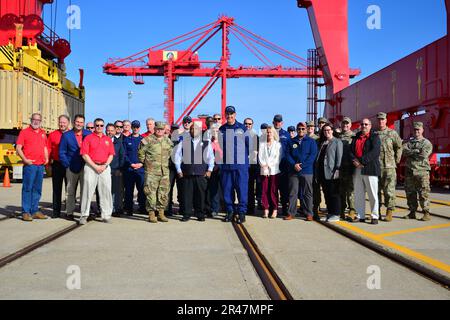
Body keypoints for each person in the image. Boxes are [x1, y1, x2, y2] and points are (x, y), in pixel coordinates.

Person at [174, 123, 215, 222]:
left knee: (200, 196)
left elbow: (211, 158)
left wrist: (210, 170)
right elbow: (177, 157)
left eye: (195, 129)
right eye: (192, 129)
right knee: (187, 195)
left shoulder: (206, 143)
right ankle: (187, 214)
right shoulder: (183, 142)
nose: (193, 130)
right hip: (187, 174)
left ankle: (200, 214)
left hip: (201, 174)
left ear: (200, 130)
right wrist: (179, 170)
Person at [79, 118, 115, 225]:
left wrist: (104, 165)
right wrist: (94, 166)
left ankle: (106, 215)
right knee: (87, 191)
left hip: (104, 167)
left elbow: (111, 154)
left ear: (103, 126)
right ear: (94, 126)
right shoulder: (88, 138)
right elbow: (85, 155)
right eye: (97, 125)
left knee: (106, 191)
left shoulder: (107, 139)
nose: (99, 127)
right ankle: (84, 215)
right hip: (91, 167)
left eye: (101, 125)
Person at [219, 106, 250, 224]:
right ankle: (230, 211)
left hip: (241, 166)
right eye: (227, 114)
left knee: (242, 190)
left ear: (235, 115)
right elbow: (219, 148)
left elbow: (250, 146)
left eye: (231, 114)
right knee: (227, 190)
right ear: (225, 115)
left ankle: (242, 212)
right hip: (227, 166)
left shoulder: (242, 129)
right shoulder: (222, 130)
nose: (229, 116)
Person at [138, 121, 174, 223]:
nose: (159, 131)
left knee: (163, 192)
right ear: (154, 129)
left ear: (164, 130)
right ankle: (151, 214)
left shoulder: (168, 141)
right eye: (158, 129)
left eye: (162, 129)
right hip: (151, 172)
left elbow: (170, 154)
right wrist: (145, 163)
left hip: (164, 172)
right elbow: (141, 153)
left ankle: (161, 213)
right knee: (150, 193)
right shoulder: (147, 140)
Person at [16, 113, 49, 222]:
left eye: (38, 120)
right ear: (31, 120)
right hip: (30, 165)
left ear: (41, 121)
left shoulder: (43, 133)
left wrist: (46, 158)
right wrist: (25, 160)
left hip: (40, 165)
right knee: (27, 188)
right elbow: (18, 148)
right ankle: (26, 212)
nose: (36, 122)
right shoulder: (24, 132)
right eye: (34, 119)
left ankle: (34, 211)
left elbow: (44, 147)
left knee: (37, 189)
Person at [349, 119, 381, 225]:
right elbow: (350, 151)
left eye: (366, 124)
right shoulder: (356, 137)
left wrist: (362, 161)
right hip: (357, 168)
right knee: (358, 193)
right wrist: (355, 161)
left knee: (372, 194)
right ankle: (360, 215)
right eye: (362, 124)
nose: (364, 126)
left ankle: (374, 216)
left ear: (370, 126)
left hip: (370, 168)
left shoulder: (375, 137)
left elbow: (375, 152)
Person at [59, 115, 92, 220]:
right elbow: (62, 152)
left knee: (85, 191)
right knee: (70, 191)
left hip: (86, 167)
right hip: (71, 167)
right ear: (73, 122)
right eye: (77, 122)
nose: (79, 124)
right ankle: (69, 212)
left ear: (84, 123)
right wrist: (67, 165)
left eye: (81, 122)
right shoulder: (66, 135)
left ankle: (84, 212)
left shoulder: (88, 134)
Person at [285, 122, 318, 221]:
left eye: (303, 129)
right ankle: (291, 213)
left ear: (306, 129)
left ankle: (309, 213)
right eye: (299, 129)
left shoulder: (311, 141)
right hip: (293, 171)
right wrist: (293, 165)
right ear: (296, 130)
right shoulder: (291, 141)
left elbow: (313, 155)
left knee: (307, 193)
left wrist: (302, 165)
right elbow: (287, 154)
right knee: (293, 192)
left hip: (307, 171)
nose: (301, 130)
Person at [403, 122, 433, 221]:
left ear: (422, 130)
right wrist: (416, 151)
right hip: (410, 172)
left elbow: (423, 155)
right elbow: (404, 151)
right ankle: (412, 212)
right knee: (410, 193)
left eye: (418, 129)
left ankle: (426, 212)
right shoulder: (409, 143)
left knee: (423, 192)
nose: (417, 131)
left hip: (422, 171)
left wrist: (411, 152)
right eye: (415, 130)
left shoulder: (426, 143)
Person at [376, 112, 403, 222]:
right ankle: (376, 211)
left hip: (389, 167)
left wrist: (396, 161)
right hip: (376, 167)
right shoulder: (374, 134)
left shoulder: (392, 133)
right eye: (379, 119)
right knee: (375, 191)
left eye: (382, 119)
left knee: (389, 190)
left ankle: (389, 211)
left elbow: (399, 147)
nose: (381, 121)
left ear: (386, 120)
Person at [315, 124, 343, 222]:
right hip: (323, 172)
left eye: (328, 130)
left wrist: (337, 170)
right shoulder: (323, 143)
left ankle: (336, 214)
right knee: (327, 194)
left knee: (334, 194)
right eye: (324, 130)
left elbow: (339, 158)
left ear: (332, 130)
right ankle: (330, 213)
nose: (326, 132)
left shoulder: (337, 142)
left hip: (333, 172)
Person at [47, 115, 70, 218]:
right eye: (60, 122)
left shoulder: (72, 134)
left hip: (69, 165)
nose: (62, 124)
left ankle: (69, 211)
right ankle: (56, 212)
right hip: (57, 164)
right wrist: (47, 165)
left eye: (64, 122)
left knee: (69, 189)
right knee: (56, 189)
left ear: (68, 123)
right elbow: (48, 150)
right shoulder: (52, 135)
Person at [259, 125, 282, 219]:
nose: (269, 134)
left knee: (273, 190)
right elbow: (260, 157)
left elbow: (278, 158)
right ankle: (266, 209)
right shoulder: (262, 144)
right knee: (264, 190)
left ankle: (275, 209)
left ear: (274, 133)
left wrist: (269, 165)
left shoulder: (278, 145)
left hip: (274, 170)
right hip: (264, 170)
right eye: (268, 132)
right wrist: (264, 165)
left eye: (270, 132)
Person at [123, 120, 146, 216]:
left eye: (137, 127)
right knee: (129, 190)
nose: (135, 129)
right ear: (131, 128)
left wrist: (141, 164)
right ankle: (129, 209)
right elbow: (124, 154)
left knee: (141, 190)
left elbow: (147, 154)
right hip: (130, 169)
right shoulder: (127, 140)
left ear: (139, 128)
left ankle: (142, 207)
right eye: (134, 127)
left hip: (141, 169)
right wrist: (131, 164)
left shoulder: (144, 140)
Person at [273, 114, 291, 217]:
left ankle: (284, 208)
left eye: (279, 121)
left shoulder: (286, 134)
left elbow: (289, 149)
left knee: (284, 189)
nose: (277, 123)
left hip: (283, 165)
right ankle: (274, 208)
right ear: (273, 122)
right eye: (276, 121)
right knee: (273, 188)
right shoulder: (269, 133)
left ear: (282, 123)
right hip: (273, 165)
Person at [339, 117, 356, 219]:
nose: (345, 125)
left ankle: (352, 210)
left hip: (351, 167)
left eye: (347, 123)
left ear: (350, 125)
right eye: (343, 123)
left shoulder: (354, 137)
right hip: (340, 168)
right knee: (341, 190)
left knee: (351, 190)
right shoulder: (337, 137)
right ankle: (341, 209)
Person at [106, 124, 125, 217]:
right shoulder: (103, 141)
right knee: (105, 190)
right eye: (108, 130)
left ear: (115, 131)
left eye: (112, 130)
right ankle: (105, 208)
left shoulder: (119, 142)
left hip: (115, 170)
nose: (110, 132)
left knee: (116, 191)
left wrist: (120, 169)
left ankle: (116, 209)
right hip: (103, 169)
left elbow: (122, 156)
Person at [244, 118, 259, 216]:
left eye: (249, 124)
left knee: (250, 188)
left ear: (252, 125)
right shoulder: (239, 135)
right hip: (242, 164)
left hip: (252, 166)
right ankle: (243, 207)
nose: (247, 126)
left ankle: (250, 208)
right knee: (242, 187)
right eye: (246, 124)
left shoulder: (256, 136)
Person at [167, 124, 182, 216]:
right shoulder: (166, 140)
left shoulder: (182, 140)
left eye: (176, 129)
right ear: (170, 130)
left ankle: (182, 208)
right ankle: (168, 209)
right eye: (173, 129)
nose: (175, 131)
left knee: (181, 189)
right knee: (169, 189)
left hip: (180, 168)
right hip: (170, 168)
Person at [209, 123, 224, 217]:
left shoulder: (224, 142)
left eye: (217, 129)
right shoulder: (208, 142)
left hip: (223, 167)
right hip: (213, 167)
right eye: (213, 129)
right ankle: (215, 208)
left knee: (225, 188)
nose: (215, 131)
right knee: (214, 189)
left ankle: (226, 207)